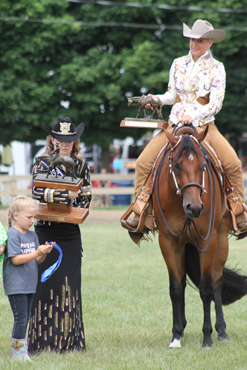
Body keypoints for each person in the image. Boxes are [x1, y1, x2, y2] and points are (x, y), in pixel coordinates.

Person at [121, 19, 247, 234]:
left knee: (233, 164)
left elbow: (216, 104)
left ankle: (239, 212)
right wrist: (156, 99)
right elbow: (172, 95)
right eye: (191, 40)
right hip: (174, 126)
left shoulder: (217, 68)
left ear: (209, 43)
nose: (193, 44)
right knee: (143, 163)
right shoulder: (178, 63)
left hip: (204, 127)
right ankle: (141, 212)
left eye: (199, 41)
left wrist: (193, 114)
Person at [28, 116, 92, 353]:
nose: (65, 144)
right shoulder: (41, 161)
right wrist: (65, 196)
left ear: (75, 141)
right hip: (44, 230)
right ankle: (41, 342)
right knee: (43, 285)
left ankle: (69, 342)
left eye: (70, 140)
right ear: (52, 139)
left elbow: (85, 199)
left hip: (70, 232)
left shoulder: (83, 165)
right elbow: (36, 190)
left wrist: (53, 194)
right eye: (60, 139)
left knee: (69, 287)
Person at [2, 196, 53, 361]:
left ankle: (21, 351)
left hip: (30, 283)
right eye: (29, 217)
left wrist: (43, 254)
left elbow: (36, 261)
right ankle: (18, 353)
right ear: (16, 216)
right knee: (21, 318)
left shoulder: (32, 235)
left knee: (26, 317)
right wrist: (37, 252)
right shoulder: (12, 234)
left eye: (34, 217)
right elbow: (16, 259)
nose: (32, 220)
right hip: (16, 284)